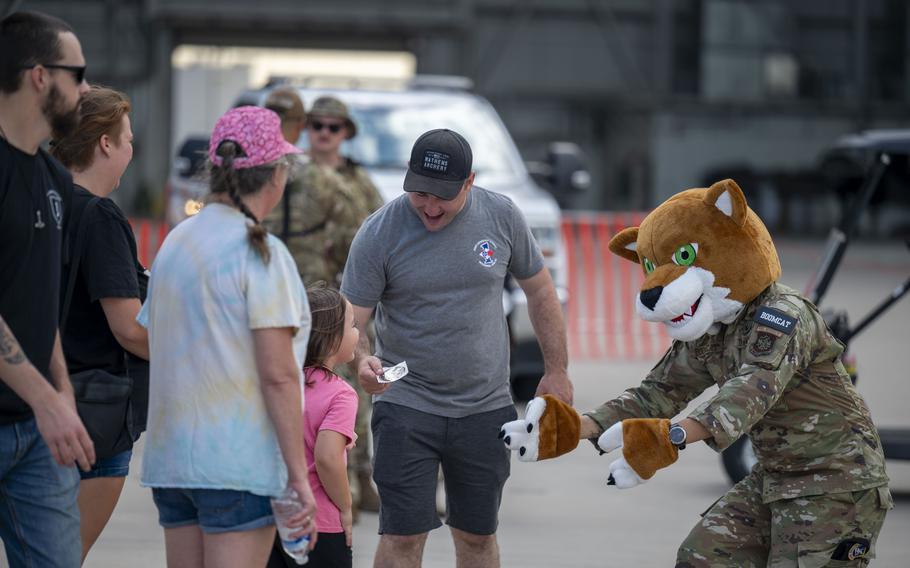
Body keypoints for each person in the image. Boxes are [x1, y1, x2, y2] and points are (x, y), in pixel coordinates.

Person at [501, 179, 891, 567]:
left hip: (838, 482)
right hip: (775, 476)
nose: (657, 280)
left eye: (684, 256)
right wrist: (575, 427)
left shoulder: (783, 313)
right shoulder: (710, 327)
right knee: (703, 556)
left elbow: (749, 392)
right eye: (652, 266)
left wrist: (672, 435)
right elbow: (657, 393)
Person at [341, 128, 572, 568]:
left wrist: (556, 369)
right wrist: (361, 358)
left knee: (477, 539)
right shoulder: (380, 232)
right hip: (406, 405)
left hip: (485, 409)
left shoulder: (502, 216)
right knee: (402, 538)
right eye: (420, 192)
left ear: (469, 181)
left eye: (442, 196)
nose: (429, 206)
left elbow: (541, 291)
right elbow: (353, 318)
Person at [138, 106, 318, 568]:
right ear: (277, 175)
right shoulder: (261, 252)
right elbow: (278, 375)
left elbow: (151, 338)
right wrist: (299, 477)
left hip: (173, 460)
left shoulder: (176, 242)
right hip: (239, 465)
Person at [0, 11, 95, 568]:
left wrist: (61, 395)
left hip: (38, 432)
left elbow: (39, 301)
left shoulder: (54, 177)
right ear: (39, 75)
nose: (85, 88)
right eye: (76, 73)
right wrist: (47, 400)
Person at [265, 94, 383, 516]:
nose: (324, 134)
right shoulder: (284, 174)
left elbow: (370, 236)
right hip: (282, 293)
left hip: (331, 297)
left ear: (345, 133)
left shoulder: (353, 182)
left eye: (334, 127)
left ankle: (355, 474)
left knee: (346, 387)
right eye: (317, 125)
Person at [50, 85, 150, 563]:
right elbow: (128, 327)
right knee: (62, 556)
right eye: (128, 139)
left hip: (36, 396)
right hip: (93, 413)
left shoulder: (42, 200)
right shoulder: (99, 215)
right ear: (105, 144)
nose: (131, 151)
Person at [268, 285, 359, 568]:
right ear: (332, 340)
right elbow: (328, 458)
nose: (357, 333)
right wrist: (345, 507)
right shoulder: (341, 394)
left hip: (269, 520)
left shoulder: (277, 382)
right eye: (353, 326)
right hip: (319, 525)